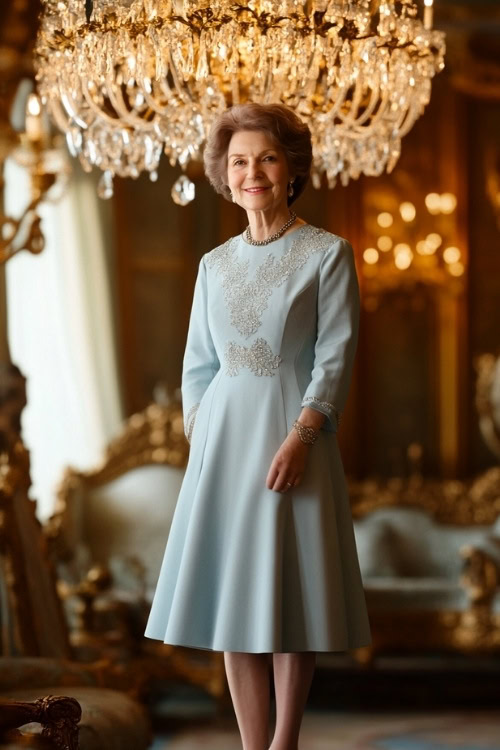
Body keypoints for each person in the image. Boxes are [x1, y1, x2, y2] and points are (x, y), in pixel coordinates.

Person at [145, 102, 372, 750]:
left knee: (289, 594)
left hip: (293, 436)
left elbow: (335, 354)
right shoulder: (213, 265)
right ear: (224, 172)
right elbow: (197, 364)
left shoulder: (327, 254)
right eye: (240, 161)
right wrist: (201, 430)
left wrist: (303, 436)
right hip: (223, 444)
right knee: (233, 603)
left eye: (266, 158)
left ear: (291, 168)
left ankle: (285, 742)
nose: (254, 172)